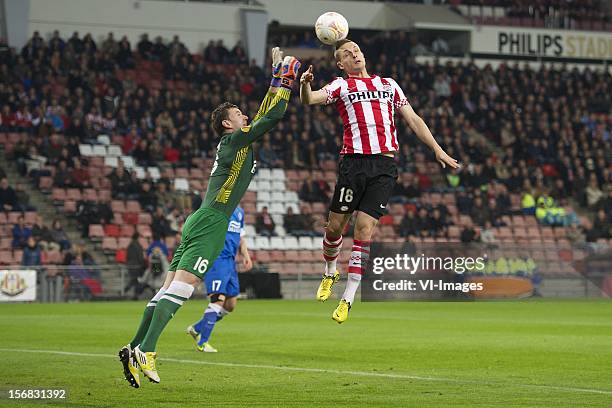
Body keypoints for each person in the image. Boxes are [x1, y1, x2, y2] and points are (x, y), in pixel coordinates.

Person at [118, 48, 299, 387]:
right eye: (239, 113)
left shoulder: (237, 142)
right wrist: (286, 81)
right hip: (213, 221)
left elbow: (261, 114)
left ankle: (135, 346)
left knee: (166, 290)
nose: (245, 116)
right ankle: (150, 351)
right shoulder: (234, 140)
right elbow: (270, 118)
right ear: (228, 124)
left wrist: (275, 77)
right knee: (183, 291)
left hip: (201, 217)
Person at [299, 39, 458, 323]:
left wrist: (437, 149)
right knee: (335, 226)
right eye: (347, 54)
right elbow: (310, 100)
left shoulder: (389, 85)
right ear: (341, 64)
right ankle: (329, 272)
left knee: (364, 229)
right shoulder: (340, 86)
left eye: (356, 50)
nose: (354, 55)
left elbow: (414, 119)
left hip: (384, 165)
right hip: (353, 163)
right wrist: (305, 85)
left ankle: (347, 299)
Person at [186, 206, 252, 352]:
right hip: (217, 259)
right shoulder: (219, 207)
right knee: (217, 299)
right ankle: (202, 343)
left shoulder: (240, 211)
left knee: (230, 305)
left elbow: (240, 237)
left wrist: (246, 255)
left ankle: (196, 328)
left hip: (230, 261)